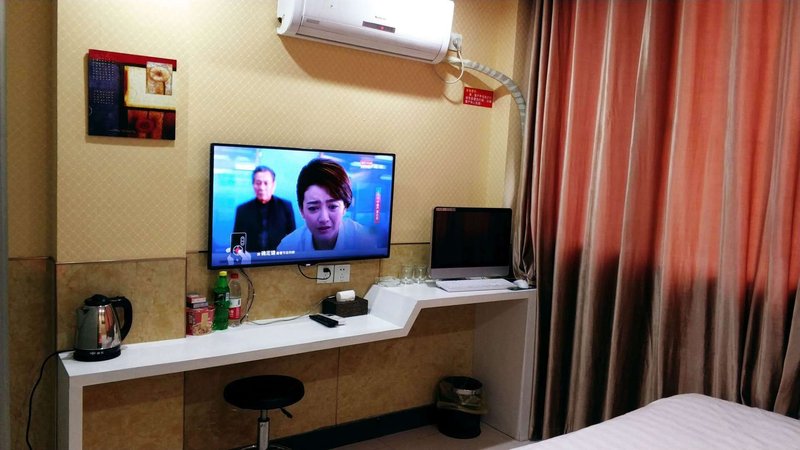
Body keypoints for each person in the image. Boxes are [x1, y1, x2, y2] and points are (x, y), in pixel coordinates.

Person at [277, 158, 376, 252]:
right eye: (313, 208)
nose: (324, 219)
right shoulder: (288, 246)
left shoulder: (363, 240)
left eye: (332, 207)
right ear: (301, 210)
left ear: (345, 207)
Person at [232, 166, 296, 253]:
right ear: (253, 185)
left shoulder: (285, 206)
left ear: (273, 185)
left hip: (279, 258)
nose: (262, 187)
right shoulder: (242, 210)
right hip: (251, 259)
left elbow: (293, 239)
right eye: (258, 183)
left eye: (266, 183)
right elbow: (236, 242)